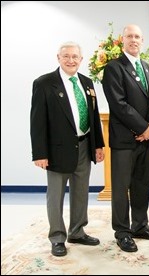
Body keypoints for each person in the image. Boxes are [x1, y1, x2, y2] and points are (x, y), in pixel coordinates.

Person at [30, 41, 105, 257]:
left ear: (81, 60)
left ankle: (77, 231)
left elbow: (93, 115)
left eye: (75, 57)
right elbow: (37, 121)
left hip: (84, 146)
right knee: (55, 196)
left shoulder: (87, 83)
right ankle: (57, 237)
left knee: (81, 192)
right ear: (58, 58)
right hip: (56, 151)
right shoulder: (44, 83)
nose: (71, 60)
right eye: (66, 56)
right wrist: (40, 153)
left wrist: (98, 145)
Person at [102, 24, 149, 253]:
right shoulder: (114, 68)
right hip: (125, 139)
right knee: (121, 188)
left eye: (137, 36)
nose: (134, 40)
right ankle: (122, 232)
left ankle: (140, 226)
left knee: (141, 185)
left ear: (142, 40)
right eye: (130, 36)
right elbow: (118, 104)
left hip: (145, 139)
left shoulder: (147, 68)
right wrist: (143, 126)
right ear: (122, 40)